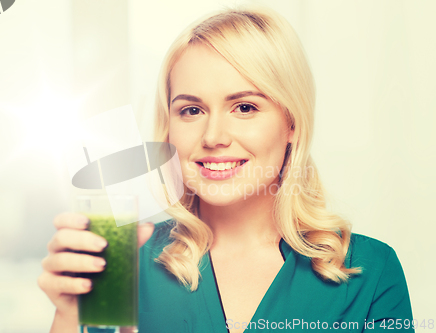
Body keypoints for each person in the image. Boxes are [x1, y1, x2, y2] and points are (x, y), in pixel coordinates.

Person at [38, 5, 414, 333]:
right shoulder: (121, 265)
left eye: (245, 107)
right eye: (191, 110)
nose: (214, 136)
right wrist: (70, 316)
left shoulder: (369, 271)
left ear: (292, 123)